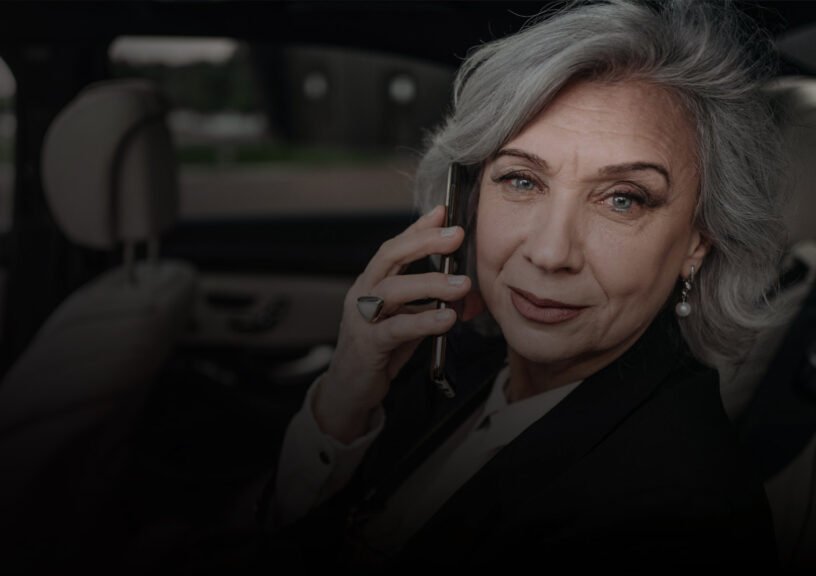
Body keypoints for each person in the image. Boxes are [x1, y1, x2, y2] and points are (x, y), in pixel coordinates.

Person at [257, 0, 788, 570]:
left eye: (622, 199)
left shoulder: (681, 518)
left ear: (696, 243)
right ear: (467, 200)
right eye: (521, 180)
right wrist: (341, 406)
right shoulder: (454, 363)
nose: (550, 252)